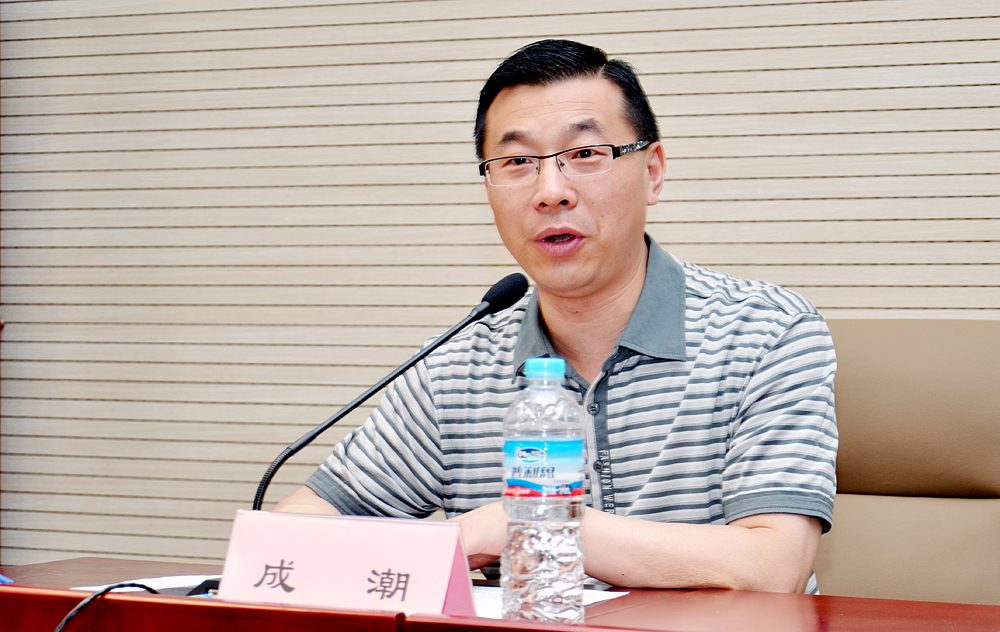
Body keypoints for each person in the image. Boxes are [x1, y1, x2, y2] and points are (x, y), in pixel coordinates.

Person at [275, 39, 838, 594]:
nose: (550, 192)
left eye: (586, 154)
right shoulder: (456, 369)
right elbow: (296, 533)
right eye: (517, 162)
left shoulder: (765, 333)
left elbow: (773, 568)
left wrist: (531, 522)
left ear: (653, 171)